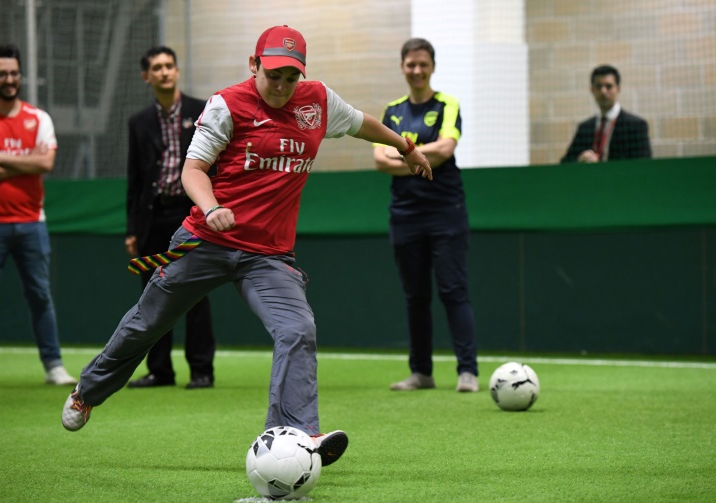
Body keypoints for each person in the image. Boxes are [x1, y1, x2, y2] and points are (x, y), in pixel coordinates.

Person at [61, 25, 432, 466]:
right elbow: (193, 170)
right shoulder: (227, 105)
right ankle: (88, 391)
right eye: (273, 75)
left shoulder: (317, 101)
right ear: (254, 65)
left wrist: (405, 146)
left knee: (297, 330)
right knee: (147, 322)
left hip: (268, 255)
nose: (281, 86)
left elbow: (360, 123)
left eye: (290, 77)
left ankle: (292, 436)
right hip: (205, 240)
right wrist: (212, 206)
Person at [0, 44, 77, 389]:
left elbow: (46, 163)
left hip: (31, 222)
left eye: (14, 73)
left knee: (40, 295)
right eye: (2, 74)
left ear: (20, 75)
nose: (9, 79)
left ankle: (54, 365)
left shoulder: (39, 118)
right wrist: (25, 162)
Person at [373, 38, 478, 393]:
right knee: (415, 296)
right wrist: (420, 157)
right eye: (411, 64)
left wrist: (403, 155)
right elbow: (379, 160)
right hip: (405, 215)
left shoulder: (447, 104)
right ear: (402, 67)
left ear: (432, 66)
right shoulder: (392, 111)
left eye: (423, 64)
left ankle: (468, 371)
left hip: (446, 211)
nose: (417, 71)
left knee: (453, 290)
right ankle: (421, 373)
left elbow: (446, 149)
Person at [125, 46, 216, 390]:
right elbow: (134, 181)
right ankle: (160, 370)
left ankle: (202, 370)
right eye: (156, 68)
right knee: (154, 295)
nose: (164, 72)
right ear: (146, 76)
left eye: (169, 66)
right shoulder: (138, 122)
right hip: (152, 217)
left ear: (176, 71)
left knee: (195, 292)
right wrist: (132, 230)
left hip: (191, 213)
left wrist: (211, 208)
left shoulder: (201, 111)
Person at [561, 64, 651, 163]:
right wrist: (579, 160)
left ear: (618, 89)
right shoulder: (584, 128)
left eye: (608, 86)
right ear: (592, 90)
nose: (603, 91)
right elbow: (565, 163)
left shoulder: (635, 126)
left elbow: (643, 164)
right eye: (598, 86)